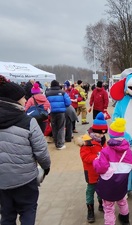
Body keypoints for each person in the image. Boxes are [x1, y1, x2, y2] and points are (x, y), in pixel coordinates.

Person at [0, 75, 51, 225]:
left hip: (2, 182)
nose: (24, 100)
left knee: (7, 215)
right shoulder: (27, 121)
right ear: (14, 100)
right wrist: (46, 168)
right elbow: (41, 151)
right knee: (28, 210)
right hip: (25, 179)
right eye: (22, 98)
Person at [93, 118, 132, 225]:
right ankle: (125, 220)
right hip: (121, 183)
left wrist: (95, 161)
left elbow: (101, 168)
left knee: (108, 208)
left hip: (108, 185)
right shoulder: (127, 150)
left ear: (111, 135)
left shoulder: (105, 151)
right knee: (122, 201)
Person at [78, 112, 108, 223]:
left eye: (103, 133)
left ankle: (101, 204)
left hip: (101, 171)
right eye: (100, 133)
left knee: (101, 189)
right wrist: (98, 157)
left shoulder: (103, 140)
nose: (101, 136)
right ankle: (90, 209)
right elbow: (85, 156)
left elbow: (105, 150)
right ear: (94, 130)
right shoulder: (87, 142)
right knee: (90, 191)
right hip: (90, 171)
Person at [45, 80, 71, 150]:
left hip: (52, 113)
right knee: (61, 128)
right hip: (61, 112)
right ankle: (60, 144)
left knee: (54, 127)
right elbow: (68, 102)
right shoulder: (62, 92)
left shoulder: (47, 93)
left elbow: (45, 103)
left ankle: (56, 142)